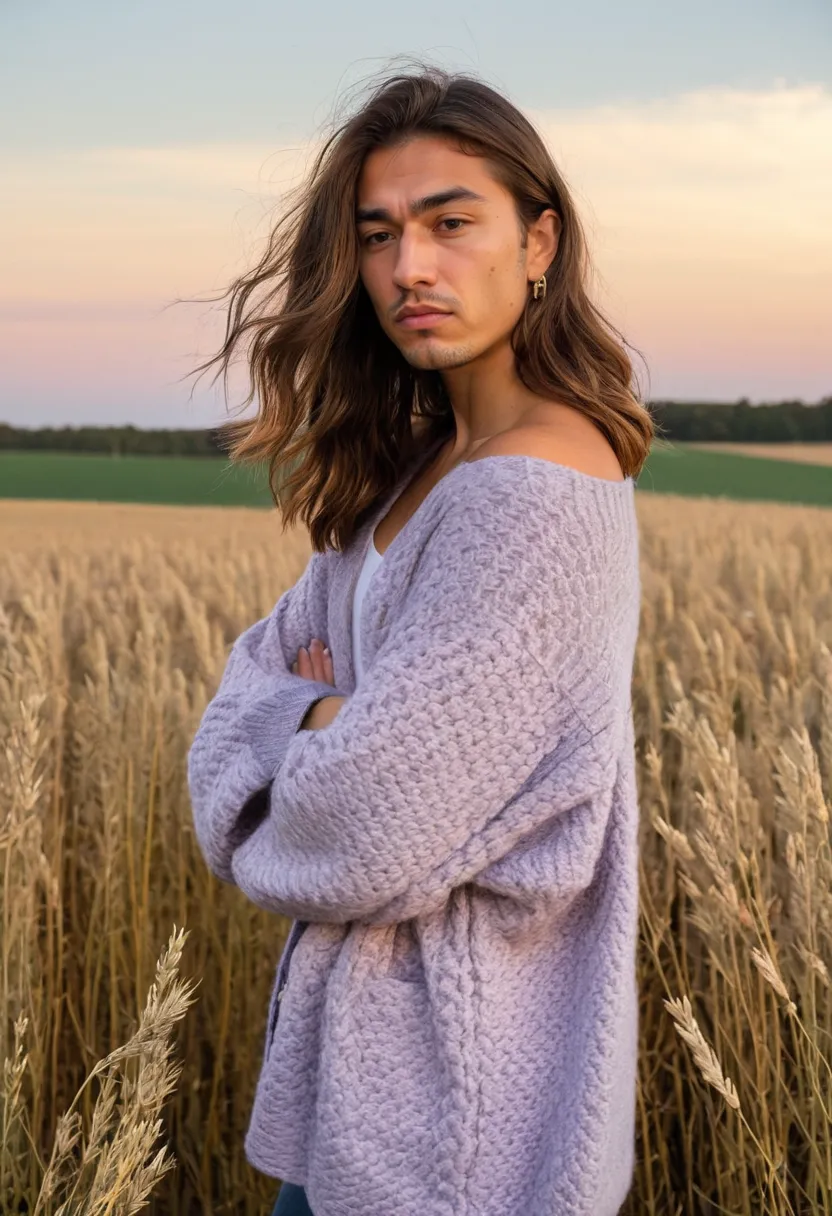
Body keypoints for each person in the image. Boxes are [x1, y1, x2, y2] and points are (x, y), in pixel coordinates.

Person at [186, 60, 652, 1216]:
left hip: (461, 1129)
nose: (410, 269)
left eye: (452, 223)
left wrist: (313, 732)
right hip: (365, 1105)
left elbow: (366, 824)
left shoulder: (534, 493)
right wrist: (319, 718)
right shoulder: (416, 475)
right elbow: (234, 711)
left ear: (538, 241)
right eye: (380, 235)